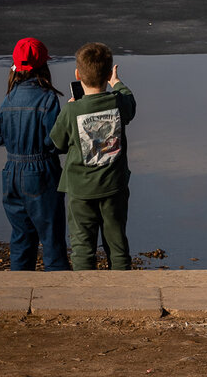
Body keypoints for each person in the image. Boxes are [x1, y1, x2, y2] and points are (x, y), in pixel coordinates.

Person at [50, 42, 136, 270]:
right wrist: (116, 82)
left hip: (80, 190)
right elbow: (130, 100)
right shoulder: (119, 102)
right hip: (114, 188)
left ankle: (84, 298)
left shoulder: (71, 110)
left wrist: (68, 110)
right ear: (108, 74)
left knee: (82, 248)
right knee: (117, 246)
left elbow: (57, 143)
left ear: (78, 75)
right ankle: (123, 296)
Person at [0, 36, 68, 271]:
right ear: (44, 66)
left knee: (21, 240)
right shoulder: (47, 98)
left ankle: (18, 296)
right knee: (52, 239)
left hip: (11, 172)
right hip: (41, 171)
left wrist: (17, 145)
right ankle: (59, 298)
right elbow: (54, 142)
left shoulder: (9, 97)